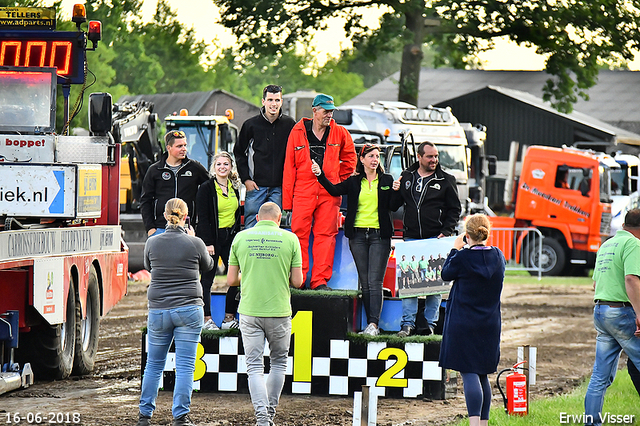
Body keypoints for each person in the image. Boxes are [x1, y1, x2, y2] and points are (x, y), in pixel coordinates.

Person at [137, 198, 214, 426]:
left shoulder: (153, 242)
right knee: (185, 365)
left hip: (159, 309)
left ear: (164, 214)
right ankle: (180, 416)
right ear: (186, 216)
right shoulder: (195, 242)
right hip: (189, 308)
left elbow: (149, 266)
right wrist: (192, 239)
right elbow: (209, 265)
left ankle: (145, 415)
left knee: (153, 364)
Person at [227, 202, 304, 426]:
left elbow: (231, 280)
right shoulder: (290, 239)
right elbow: (298, 281)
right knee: (279, 363)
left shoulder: (241, 238)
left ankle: (262, 418)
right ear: (279, 219)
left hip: (249, 311)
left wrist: (247, 276)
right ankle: (269, 414)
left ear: (258, 219)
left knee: (254, 366)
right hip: (279, 311)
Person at [311, 144, 397, 336]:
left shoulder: (387, 180)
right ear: (362, 159)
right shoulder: (353, 181)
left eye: (377, 157)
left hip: (379, 236)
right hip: (357, 235)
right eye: (372, 156)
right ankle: (370, 324)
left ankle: (373, 325)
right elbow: (333, 190)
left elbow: (394, 205)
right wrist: (319, 174)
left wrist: (397, 191)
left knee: (375, 281)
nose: (375, 160)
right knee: (365, 282)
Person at [282, 93, 357, 290]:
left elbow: (350, 161)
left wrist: (335, 182)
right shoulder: (296, 131)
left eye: (331, 111)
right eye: (326, 111)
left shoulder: (340, 133)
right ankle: (299, 280)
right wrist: (287, 203)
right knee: (298, 236)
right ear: (314, 111)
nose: (329, 115)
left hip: (328, 194)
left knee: (326, 236)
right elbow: (289, 168)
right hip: (303, 192)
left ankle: (319, 282)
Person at [439, 214, 505, 426]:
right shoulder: (498, 256)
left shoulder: (462, 257)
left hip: (464, 323)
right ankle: (483, 424)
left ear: (467, 235)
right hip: (489, 323)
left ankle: (474, 423)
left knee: (468, 373)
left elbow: (445, 274)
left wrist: (455, 249)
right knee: (483, 373)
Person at [391, 141, 461, 336]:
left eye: (436, 156)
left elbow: (455, 209)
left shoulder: (446, 179)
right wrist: (396, 189)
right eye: (430, 156)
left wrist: (446, 232)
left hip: (435, 239)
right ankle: (407, 324)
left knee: (434, 285)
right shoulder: (407, 176)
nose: (434, 160)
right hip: (412, 238)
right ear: (419, 157)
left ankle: (429, 325)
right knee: (409, 284)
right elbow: (395, 204)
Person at [583, 208, 640, 426]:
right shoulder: (633, 244)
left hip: (600, 311)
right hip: (622, 312)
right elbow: (632, 280)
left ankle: (591, 422)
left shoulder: (606, 245)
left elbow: (596, 283)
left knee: (599, 376)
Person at [234, 85, 296, 228]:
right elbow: (239, 152)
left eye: (277, 100)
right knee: (251, 225)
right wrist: (246, 179)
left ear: (281, 101)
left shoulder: (290, 124)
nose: (273, 104)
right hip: (256, 187)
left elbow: (296, 154)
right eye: (270, 100)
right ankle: (249, 250)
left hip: (279, 187)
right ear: (263, 101)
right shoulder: (250, 125)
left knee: (273, 226)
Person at [196, 152, 242, 331]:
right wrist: (207, 243)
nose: (222, 167)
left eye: (226, 164)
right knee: (207, 280)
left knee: (237, 278)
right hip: (212, 239)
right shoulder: (206, 188)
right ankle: (207, 319)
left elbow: (237, 215)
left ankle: (229, 317)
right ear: (213, 167)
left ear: (231, 167)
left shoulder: (234, 188)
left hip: (230, 238)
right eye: (219, 164)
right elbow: (204, 217)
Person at [140, 130, 209, 237]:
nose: (184, 149)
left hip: (186, 228)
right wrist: (150, 228)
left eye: (185, 145)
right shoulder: (155, 170)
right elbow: (145, 200)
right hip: (160, 228)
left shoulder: (195, 168)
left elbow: (210, 188)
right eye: (179, 146)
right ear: (169, 148)